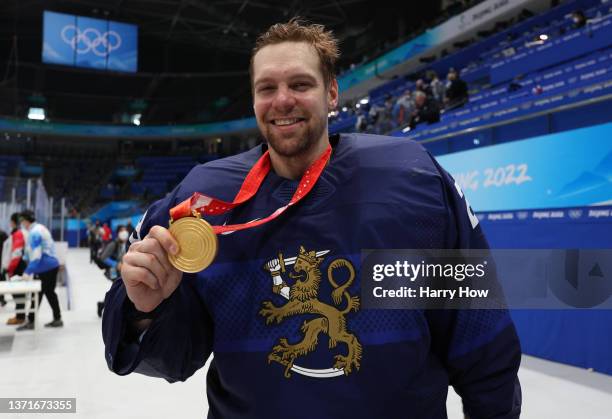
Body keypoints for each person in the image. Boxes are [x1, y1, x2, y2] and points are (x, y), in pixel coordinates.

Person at [102, 19, 521, 419]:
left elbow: (478, 329)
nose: (282, 99)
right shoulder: (201, 199)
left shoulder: (414, 178)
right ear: (253, 99)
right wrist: (146, 311)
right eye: (267, 88)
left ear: (333, 93)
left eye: (300, 84)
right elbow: (176, 357)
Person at [16, 210, 63, 331]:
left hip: (46, 267)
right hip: (50, 265)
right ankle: (54, 318)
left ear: (26, 221)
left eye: (22, 221)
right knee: (44, 292)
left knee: (43, 292)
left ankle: (34, 320)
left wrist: (28, 271)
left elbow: (36, 255)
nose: (22, 224)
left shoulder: (34, 232)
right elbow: (31, 251)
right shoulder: (39, 228)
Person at [96, 225, 129, 317]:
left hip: (125, 271)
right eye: (122, 230)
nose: (124, 232)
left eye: (125, 230)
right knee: (119, 291)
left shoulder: (129, 243)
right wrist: (116, 264)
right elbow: (103, 257)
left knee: (117, 291)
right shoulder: (113, 244)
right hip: (114, 272)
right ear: (118, 233)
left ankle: (103, 305)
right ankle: (106, 306)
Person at [3, 213, 28, 325]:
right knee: (18, 292)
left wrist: (10, 268)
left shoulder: (18, 234)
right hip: (19, 265)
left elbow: (16, 254)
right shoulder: (18, 233)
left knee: (18, 292)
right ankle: (20, 315)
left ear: (13, 222)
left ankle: (20, 316)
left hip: (18, 266)